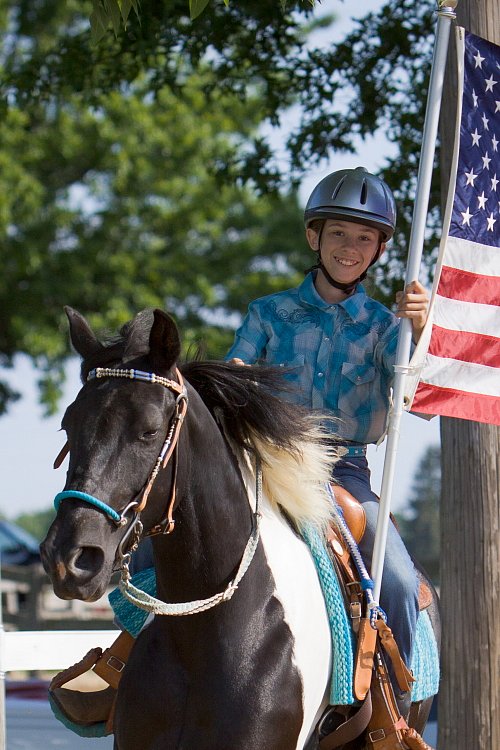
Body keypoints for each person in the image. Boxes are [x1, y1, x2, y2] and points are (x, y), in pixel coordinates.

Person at [225, 166, 429, 710]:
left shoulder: (390, 329)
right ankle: (130, 664)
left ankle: (394, 713)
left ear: (379, 250)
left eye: (365, 238)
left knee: (399, 582)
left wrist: (424, 334)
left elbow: (422, 402)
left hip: (345, 472)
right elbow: (235, 374)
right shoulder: (267, 314)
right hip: (267, 461)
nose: (350, 247)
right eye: (339, 233)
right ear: (314, 237)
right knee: (163, 543)